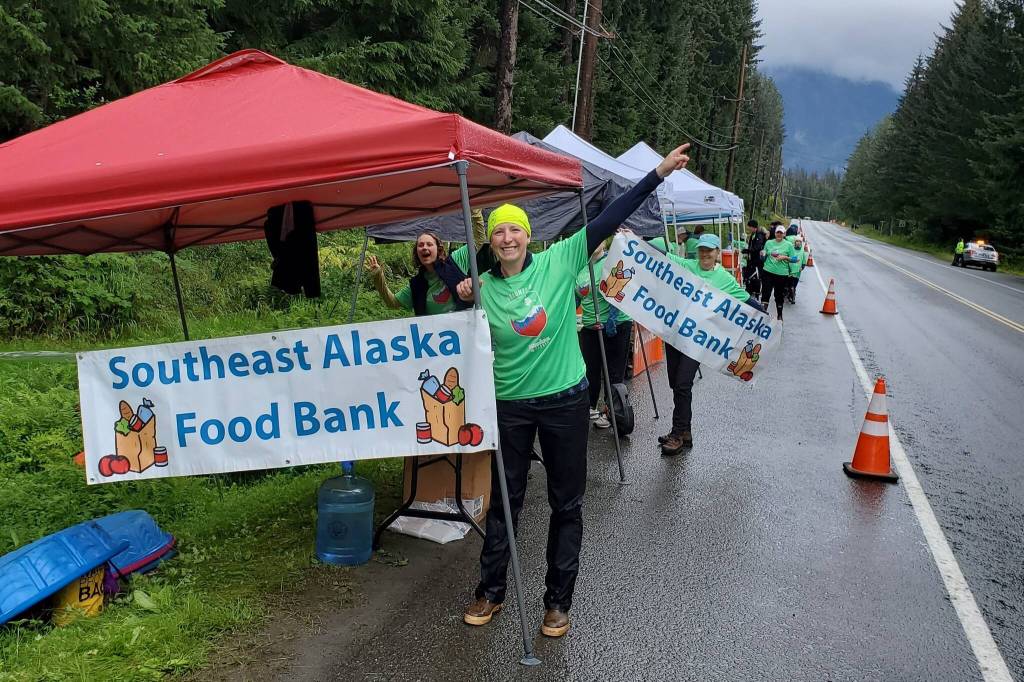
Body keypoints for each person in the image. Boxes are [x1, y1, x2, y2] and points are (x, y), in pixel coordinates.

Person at [456, 144, 691, 638]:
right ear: (492, 242)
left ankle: (557, 601)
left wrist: (658, 173)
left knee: (567, 503)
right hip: (511, 405)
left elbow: (611, 217)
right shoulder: (482, 287)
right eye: (498, 230)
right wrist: (458, 290)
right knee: (506, 500)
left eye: (515, 228)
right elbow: (449, 297)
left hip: (565, 400)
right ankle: (491, 591)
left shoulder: (560, 260)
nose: (507, 236)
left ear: (528, 234)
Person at [658, 233, 762, 455]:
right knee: (676, 383)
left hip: (698, 340)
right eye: (702, 250)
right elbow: (659, 256)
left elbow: (747, 302)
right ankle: (685, 432)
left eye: (710, 250)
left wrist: (768, 322)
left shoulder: (725, 279)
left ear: (717, 253)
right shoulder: (687, 265)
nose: (705, 254)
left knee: (684, 383)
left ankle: (677, 433)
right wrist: (631, 240)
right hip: (675, 334)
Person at [575, 244, 633, 430]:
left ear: (605, 243)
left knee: (613, 372)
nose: (595, 243)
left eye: (600, 239)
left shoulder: (611, 260)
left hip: (614, 325)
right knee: (590, 370)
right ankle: (590, 406)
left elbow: (618, 290)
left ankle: (613, 412)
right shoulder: (580, 265)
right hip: (590, 325)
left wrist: (612, 320)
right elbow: (576, 296)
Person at [760, 225, 798, 321]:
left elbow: (795, 259)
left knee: (778, 295)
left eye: (781, 233)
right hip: (768, 272)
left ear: (784, 234)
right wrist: (762, 255)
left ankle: (779, 316)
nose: (779, 234)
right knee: (765, 293)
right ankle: (762, 316)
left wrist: (785, 257)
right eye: (778, 232)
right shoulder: (768, 243)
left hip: (781, 275)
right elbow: (763, 257)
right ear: (775, 233)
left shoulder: (788, 245)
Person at [742, 219, 767, 298]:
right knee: (749, 275)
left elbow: (757, 248)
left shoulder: (759, 235)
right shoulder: (753, 234)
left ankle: (756, 293)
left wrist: (747, 250)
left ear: (753, 227)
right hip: (752, 259)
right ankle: (750, 290)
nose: (749, 229)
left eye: (749, 227)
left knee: (756, 277)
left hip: (757, 260)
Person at [787, 236, 809, 303]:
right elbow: (787, 258)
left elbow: (804, 260)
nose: (798, 243)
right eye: (797, 241)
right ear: (795, 242)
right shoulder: (791, 249)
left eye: (800, 242)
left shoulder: (802, 251)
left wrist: (802, 267)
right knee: (790, 284)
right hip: (790, 270)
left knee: (794, 285)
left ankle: (792, 295)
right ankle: (791, 296)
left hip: (797, 271)